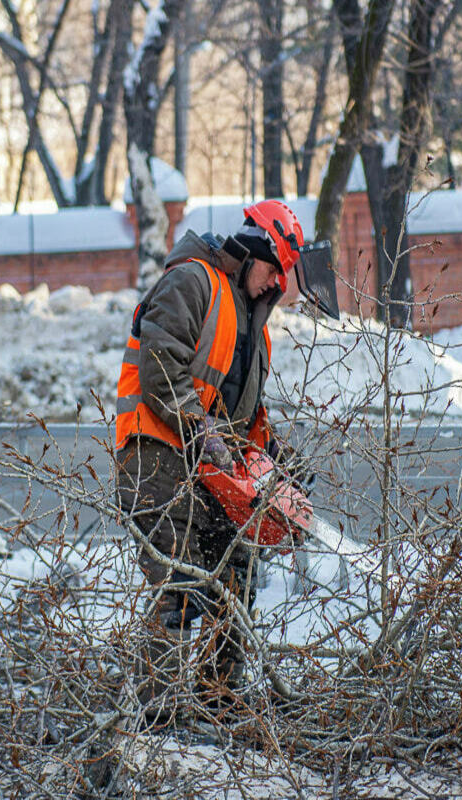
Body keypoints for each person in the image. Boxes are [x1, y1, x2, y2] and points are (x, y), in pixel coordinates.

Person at [114, 199, 305, 720]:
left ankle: (219, 698)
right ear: (251, 250)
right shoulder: (193, 282)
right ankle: (158, 715)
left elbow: (243, 416)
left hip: (210, 470)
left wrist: (276, 463)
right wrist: (200, 432)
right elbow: (160, 367)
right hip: (157, 460)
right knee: (179, 587)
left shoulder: (253, 326)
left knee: (235, 579)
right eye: (272, 270)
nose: (274, 284)